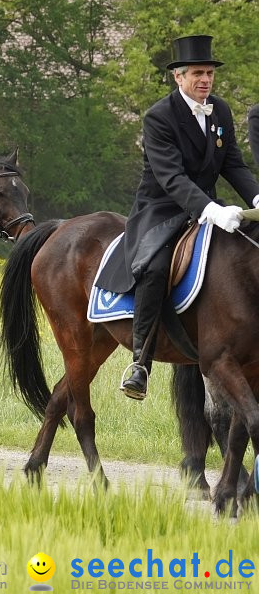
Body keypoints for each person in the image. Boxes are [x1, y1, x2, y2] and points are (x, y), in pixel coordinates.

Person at [98, 35, 259, 400]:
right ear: (179, 77)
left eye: (209, 74)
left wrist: (255, 196)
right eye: (198, 74)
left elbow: (233, 163)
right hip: (161, 210)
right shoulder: (159, 117)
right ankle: (140, 362)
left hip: (205, 207)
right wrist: (211, 210)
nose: (206, 80)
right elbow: (171, 178)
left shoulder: (219, 110)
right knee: (155, 267)